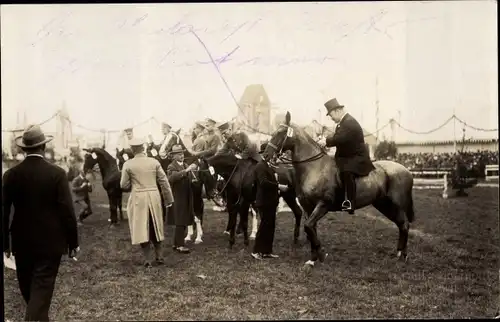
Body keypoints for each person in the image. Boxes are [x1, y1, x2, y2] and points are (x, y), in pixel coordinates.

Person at [2, 124, 79, 321]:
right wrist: (73, 242)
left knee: (31, 291)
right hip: (51, 243)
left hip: (22, 242)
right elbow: (67, 212)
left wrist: (5, 244)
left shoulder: (11, 175)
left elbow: (3, 212)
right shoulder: (57, 174)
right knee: (40, 293)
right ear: (43, 147)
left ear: (24, 149)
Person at [120, 137, 174, 268]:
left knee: (141, 227)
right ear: (144, 148)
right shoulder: (154, 162)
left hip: (138, 198)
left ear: (132, 150)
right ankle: (159, 256)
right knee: (155, 225)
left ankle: (147, 259)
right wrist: (169, 199)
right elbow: (164, 182)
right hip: (154, 197)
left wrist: (132, 185)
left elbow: (123, 185)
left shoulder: (128, 164)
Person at [319, 98, 375, 214]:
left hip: (356, 157)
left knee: (346, 171)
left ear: (337, 111)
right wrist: (325, 139)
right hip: (346, 156)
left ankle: (350, 202)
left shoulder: (349, 122)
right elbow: (337, 137)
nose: (331, 118)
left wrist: (326, 141)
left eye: (331, 115)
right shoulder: (342, 123)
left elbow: (340, 138)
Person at [251, 143, 288, 259]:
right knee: (264, 226)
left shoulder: (267, 166)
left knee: (270, 226)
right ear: (265, 153)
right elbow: (263, 183)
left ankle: (267, 251)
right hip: (264, 201)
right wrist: (279, 186)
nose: (272, 155)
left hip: (270, 201)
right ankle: (256, 251)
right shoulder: (260, 166)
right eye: (271, 153)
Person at [166, 145, 198, 253]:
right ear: (174, 156)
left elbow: (190, 177)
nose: (182, 156)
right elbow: (172, 178)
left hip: (186, 195)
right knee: (180, 221)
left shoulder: (185, 164)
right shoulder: (171, 166)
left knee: (184, 220)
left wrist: (193, 179)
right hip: (178, 196)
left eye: (182, 154)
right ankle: (180, 245)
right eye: (179, 154)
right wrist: (186, 171)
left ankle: (176, 244)